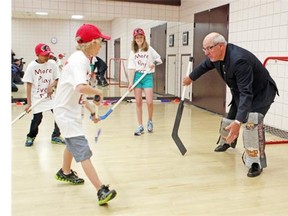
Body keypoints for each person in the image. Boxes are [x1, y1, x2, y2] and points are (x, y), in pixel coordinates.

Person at [183, 32, 278, 177]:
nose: (206, 53)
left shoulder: (239, 60)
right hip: (242, 91)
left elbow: (247, 93)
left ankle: (255, 162)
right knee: (230, 117)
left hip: (260, 93)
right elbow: (204, 66)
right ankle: (227, 141)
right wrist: (191, 77)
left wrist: (239, 122)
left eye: (209, 48)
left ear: (221, 46)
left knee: (251, 123)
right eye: (204, 49)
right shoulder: (216, 56)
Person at [53, 23, 117, 206]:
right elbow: (81, 87)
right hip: (66, 113)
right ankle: (100, 190)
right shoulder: (80, 61)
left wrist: (91, 111)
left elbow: (78, 92)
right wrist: (98, 92)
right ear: (92, 43)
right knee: (83, 150)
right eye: (100, 42)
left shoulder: (83, 59)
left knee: (72, 144)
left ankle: (64, 172)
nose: (101, 45)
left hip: (70, 111)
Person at [22, 43, 65, 147]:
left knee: (58, 114)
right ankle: (30, 136)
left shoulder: (52, 64)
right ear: (37, 54)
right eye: (44, 55)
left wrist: (52, 85)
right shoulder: (32, 66)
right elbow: (28, 84)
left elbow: (58, 78)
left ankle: (56, 136)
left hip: (51, 97)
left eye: (48, 54)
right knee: (37, 118)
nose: (47, 56)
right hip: (37, 97)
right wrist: (29, 103)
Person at [127, 28, 162, 136]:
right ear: (134, 39)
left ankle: (150, 121)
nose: (139, 39)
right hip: (137, 77)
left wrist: (153, 64)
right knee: (138, 102)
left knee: (149, 102)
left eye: (141, 37)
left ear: (144, 38)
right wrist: (130, 82)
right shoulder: (133, 52)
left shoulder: (149, 49)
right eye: (137, 37)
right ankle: (140, 125)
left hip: (147, 76)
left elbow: (159, 59)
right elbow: (131, 68)